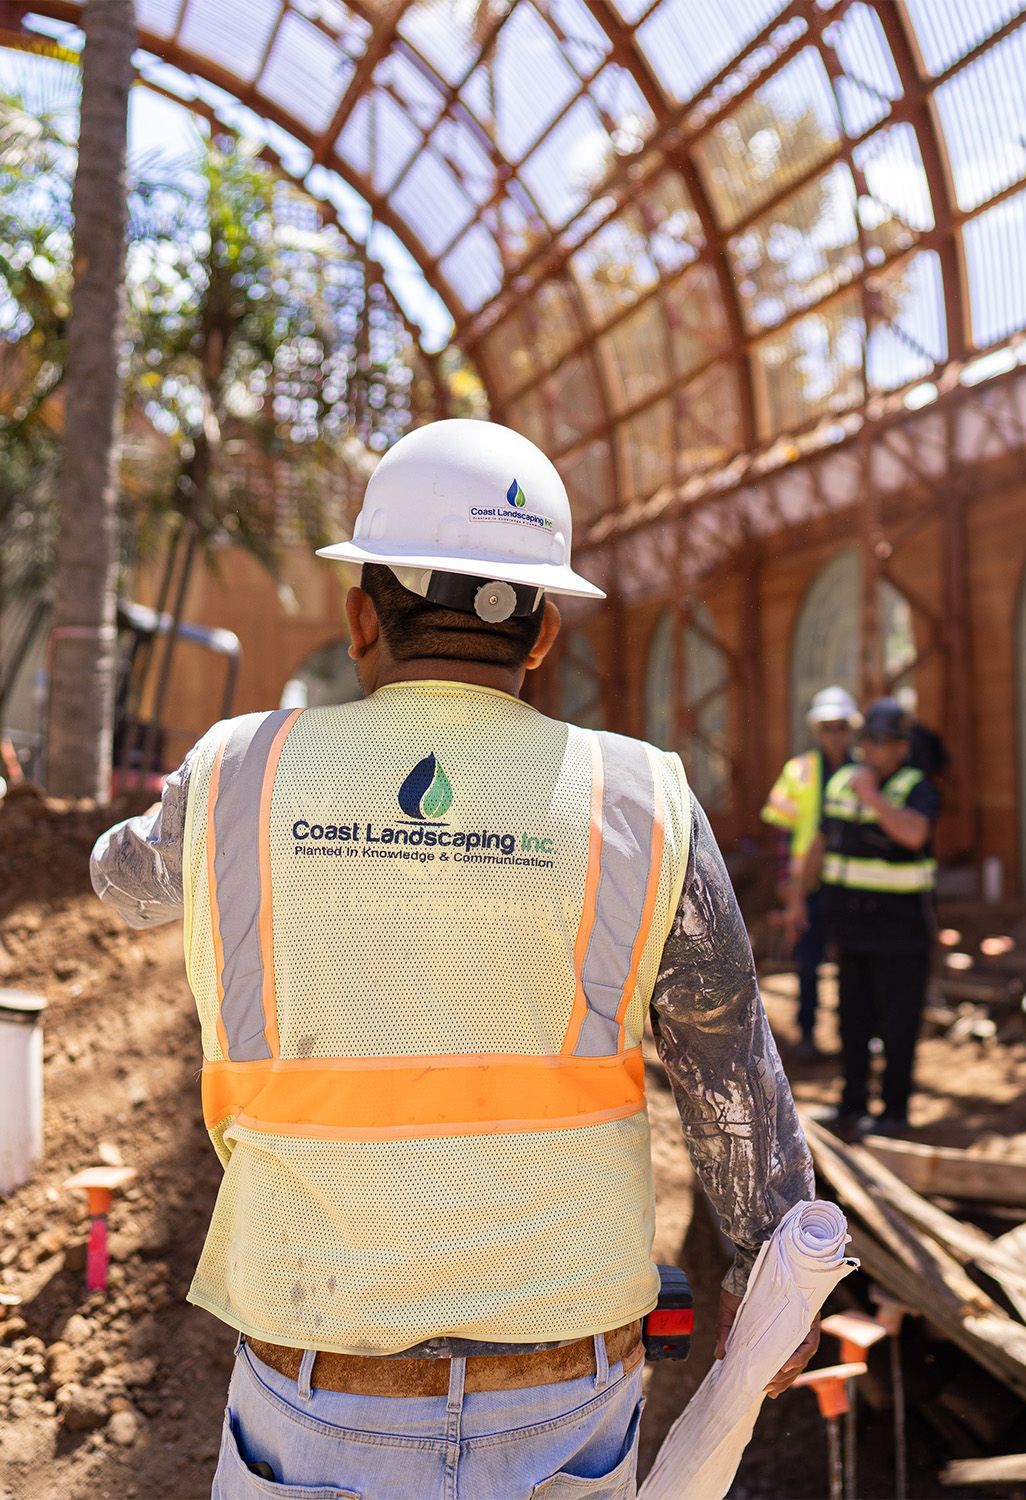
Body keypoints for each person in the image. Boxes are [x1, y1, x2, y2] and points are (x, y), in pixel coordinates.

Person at [90, 419, 818, 1500]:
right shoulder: (643, 800)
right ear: (541, 638)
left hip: (315, 1384)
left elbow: (123, 882)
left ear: (356, 619)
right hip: (565, 1394)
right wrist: (776, 1286)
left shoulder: (239, 772)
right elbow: (730, 1068)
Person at [797, 698, 939, 1138]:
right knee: (852, 1021)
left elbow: (914, 833)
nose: (872, 752)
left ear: (902, 748)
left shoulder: (917, 787)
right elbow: (820, 841)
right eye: (869, 743)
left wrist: (872, 797)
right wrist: (798, 900)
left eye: (883, 744)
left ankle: (893, 1113)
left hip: (902, 932)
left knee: (899, 1025)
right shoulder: (842, 784)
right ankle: (850, 1105)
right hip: (852, 929)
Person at [761, 687, 860, 1060]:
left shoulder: (862, 770)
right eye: (827, 728)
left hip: (852, 882)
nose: (834, 735)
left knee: (855, 961)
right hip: (809, 886)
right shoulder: (798, 770)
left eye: (840, 727)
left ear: (850, 730)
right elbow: (783, 833)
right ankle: (807, 1034)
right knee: (808, 961)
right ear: (817, 731)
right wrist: (788, 883)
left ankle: (856, 1033)